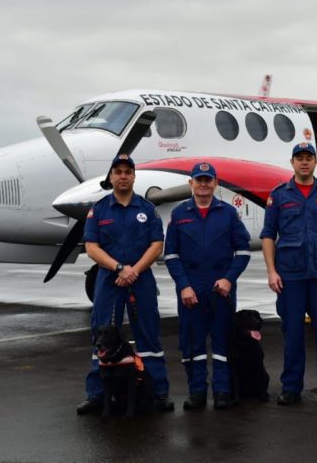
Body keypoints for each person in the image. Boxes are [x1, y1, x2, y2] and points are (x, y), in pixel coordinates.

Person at [76, 154, 174, 415]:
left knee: (149, 334)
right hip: (109, 279)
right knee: (102, 336)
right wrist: (119, 268)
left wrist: (134, 271)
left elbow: (157, 245)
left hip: (140, 279)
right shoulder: (99, 210)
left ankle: (157, 391)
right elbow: (91, 247)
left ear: (133, 176)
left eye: (127, 172)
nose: (123, 176)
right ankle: (97, 394)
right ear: (111, 177)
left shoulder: (147, 209)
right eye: (117, 172)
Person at [260, 142, 317, 405]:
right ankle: (291, 387)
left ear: (315, 162)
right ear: (292, 163)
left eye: (308, 158)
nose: (304, 162)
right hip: (291, 275)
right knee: (292, 333)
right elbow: (268, 235)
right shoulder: (279, 195)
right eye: (299, 158)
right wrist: (271, 271)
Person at [164, 162, 251, 410]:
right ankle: (197, 392)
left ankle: (222, 391)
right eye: (199, 180)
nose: (203, 184)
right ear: (191, 183)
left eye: (208, 180)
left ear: (215, 183)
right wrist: (183, 285)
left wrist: (228, 279)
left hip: (221, 289)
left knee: (222, 341)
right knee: (192, 343)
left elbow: (243, 251)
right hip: (191, 288)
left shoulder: (228, 213)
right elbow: (171, 255)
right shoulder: (179, 214)